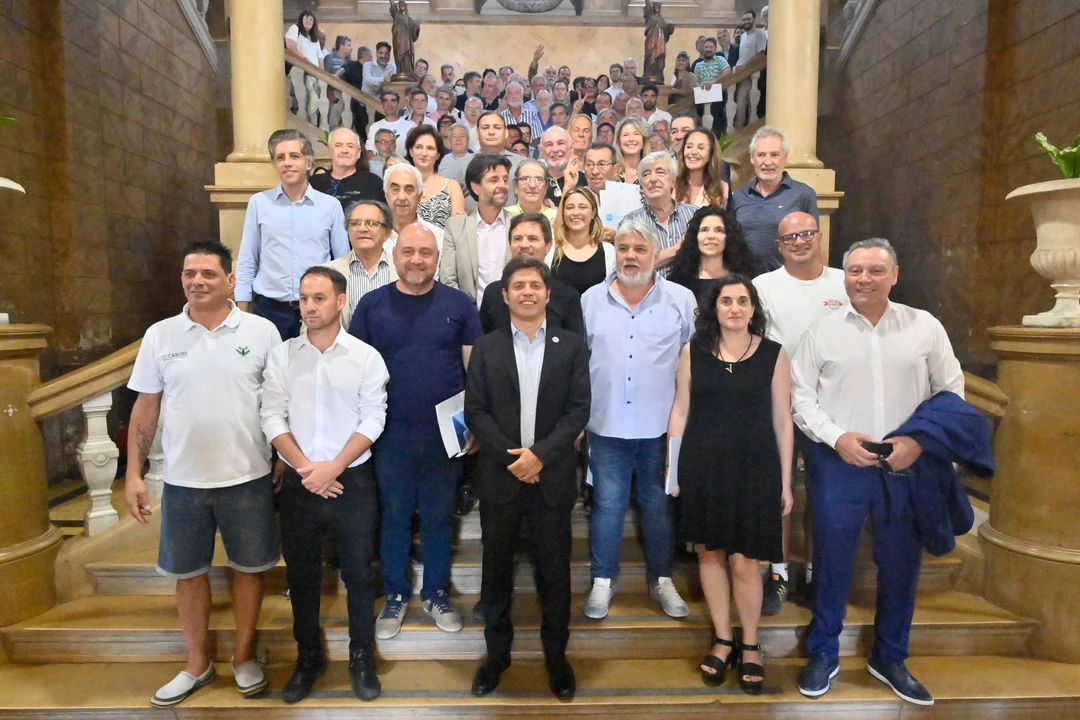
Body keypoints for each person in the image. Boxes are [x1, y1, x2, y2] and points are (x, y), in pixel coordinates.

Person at [792, 238, 964, 706]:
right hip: (839, 462)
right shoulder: (821, 333)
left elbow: (951, 392)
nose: (863, 279)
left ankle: (889, 656)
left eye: (874, 271)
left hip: (905, 464)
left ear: (894, 275)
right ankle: (823, 651)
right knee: (832, 558)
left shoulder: (924, 327)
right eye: (855, 271)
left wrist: (918, 441)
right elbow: (800, 395)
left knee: (901, 563)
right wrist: (837, 438)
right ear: (844, 276)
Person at [125, 242, 281, 708]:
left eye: (209, 274)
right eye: (189, 273)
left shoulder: (262, 331)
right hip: (183, 481)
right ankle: (197, 662)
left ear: (230, 280)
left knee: (249, 570)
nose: (197, 281)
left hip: (248, 476)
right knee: (188, 574)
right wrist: (133, 473)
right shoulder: (160, 335)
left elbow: (279, 400)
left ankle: (244, 656)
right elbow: (145, 407)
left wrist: (282, 457)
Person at [349, 223, 483, 641]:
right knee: (394, 516)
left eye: (426, 252)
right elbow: (353, 372)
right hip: (387, 434)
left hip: (446, 434)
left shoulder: (459, 304)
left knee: (440, 517)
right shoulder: (371, 305)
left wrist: (475, 425)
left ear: (437, 259)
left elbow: (475, 372)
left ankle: (436, 593)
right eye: (408, 251)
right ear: (395, 255)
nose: (417, 260)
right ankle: (395, 595)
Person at [465, 256, 591, 701]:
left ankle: (557, 659)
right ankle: (496, 658)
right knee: (496, 575)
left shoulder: (571, 346)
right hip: (500, 480)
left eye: (535, 285)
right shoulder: (487, 347)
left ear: (547, 293)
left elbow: (578, 410)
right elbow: (475, 411)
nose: (527, 293)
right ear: (504, 295)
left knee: (554, 576)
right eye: (518, 286)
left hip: (551, 481)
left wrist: (539, 457)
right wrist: (514, 459)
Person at [261, 266, 388, 704]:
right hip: (300, 482)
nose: (309, 306)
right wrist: (305, 469)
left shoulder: (365, 357)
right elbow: (271, 415)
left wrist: (333, 466)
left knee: (358, 574)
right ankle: (308, 659)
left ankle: (361, 658)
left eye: (318, 298)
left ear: (340, 301)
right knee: (301, 575)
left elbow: (374, 417)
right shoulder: (283, 356)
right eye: (303, 299)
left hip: (351, 479)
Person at [667, 275, 793, 693]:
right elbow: (680, 411)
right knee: (709, 553)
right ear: (714, 308)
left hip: (755, 468)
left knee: (744, 560)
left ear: (753, 309)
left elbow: (782, 419)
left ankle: (751, 643)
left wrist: (786, 481)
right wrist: (673, 470)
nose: (735, 308)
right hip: (703, 466)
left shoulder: (774, 354)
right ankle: (723, 639)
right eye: (726, 301)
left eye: (742, 301)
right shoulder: (694, 352)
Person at [580, 216, 695, 621]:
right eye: (624, 248)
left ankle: (661, 579)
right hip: (605, 425)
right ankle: (602, 580)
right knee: (608, 505)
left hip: (661, 428)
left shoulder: (681, 299)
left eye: (640, 249)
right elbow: (579, 363)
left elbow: (693, 362)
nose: (630, 256)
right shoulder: (590, 300)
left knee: (658, 506)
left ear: (655, 254)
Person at [753, 211, 847, 616]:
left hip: (834, 409)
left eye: (807, 233)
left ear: (819, 237)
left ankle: (814, 571)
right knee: (780, 494)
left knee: (825, 498)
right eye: (790, 237)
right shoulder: (763, 286)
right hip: (780, 406)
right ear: (779, 246)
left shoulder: (844, 282)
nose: (799, 241)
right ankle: (778, 572)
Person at [236, 130, 348, 340]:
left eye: (294, 156)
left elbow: (342, 262)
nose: (287, 163)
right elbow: (248, 259)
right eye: (280, 157)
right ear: (274, 164)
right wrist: (242, 311)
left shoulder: (330, 206)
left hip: (319, 308)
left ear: (309, 162)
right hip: (270, 309)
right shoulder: (259, 204)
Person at [730, 126, 819, 273]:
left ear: (785, 157)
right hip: (745, 281)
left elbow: (815, 245)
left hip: (788, 281)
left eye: (774, 155)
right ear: (752, 158)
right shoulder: (738, 196)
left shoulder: (804, 194)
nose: (767, 162)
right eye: (761, 155)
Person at [479, 213, 584, 335]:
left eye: (532, 238)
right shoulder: (492, 293)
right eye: (517, 239)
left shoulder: (567, 296)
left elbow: (575, 344)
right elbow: (483, 343)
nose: (524, 245)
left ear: (548, 246)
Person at [441, 153, 513, 303]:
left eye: (505, 180)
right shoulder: (455, 227)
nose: (502, 185)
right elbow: (448, 279)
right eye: (494, 180)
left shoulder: (518, 224)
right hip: (468, 311)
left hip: (512, 312)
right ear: (476, 187)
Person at [323, 200, 399, 328]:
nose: (362, 229)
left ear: (387, 233)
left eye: (371, 223)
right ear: (348, 231)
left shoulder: (401, 271)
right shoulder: (328, 273)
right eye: (355, 223)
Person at [622, 151, 698, 274]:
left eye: (660, 172)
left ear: (673, 181)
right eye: (646, 174)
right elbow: (629, 267)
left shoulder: (695, 215)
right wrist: (677, 250)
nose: (653, 179)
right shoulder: (630, 222)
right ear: (641, 185)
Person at [441, 112, 525, 212]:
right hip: (470, 220)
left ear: (506, 133)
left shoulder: (524, 164)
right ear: (477, 133)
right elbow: (441, 197)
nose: (491, 132)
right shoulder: (460, 165)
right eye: (485, 128)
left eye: (497, 127)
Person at [667, 205, 757, 298]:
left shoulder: (745, 277)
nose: (711, 236)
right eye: (704, 230)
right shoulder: (679, 280)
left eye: (719, 230)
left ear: (728, 237)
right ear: (695, 236)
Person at [549, 186, 616, 296]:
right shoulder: (551, 252)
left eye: (582, 207)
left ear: (593, 212)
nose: (576, 213)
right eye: (570, 207)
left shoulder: (609, 252)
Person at [405, 125, 465, 229]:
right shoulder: (400, 185)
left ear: (438, 154)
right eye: (419, 147)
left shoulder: (451, 187)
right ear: (410, 151)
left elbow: (459, 230)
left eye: (430, 148)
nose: (424, 153)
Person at [309, 128, 385, 210]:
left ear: (358, 152)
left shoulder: (374, 183)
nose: (344, 150)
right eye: (338, 145)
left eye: (350, 146)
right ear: (329, 150)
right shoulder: (312, 184)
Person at [383, 163, 445, 254]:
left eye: (409, 190)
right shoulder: (374, 236)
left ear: (419, 196)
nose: (401, 197)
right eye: (395, 189)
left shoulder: (437, 236)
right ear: (386, 195)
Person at [675, 127, 730, 207]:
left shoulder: (721, 188)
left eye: (700, 148)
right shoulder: (672, 183)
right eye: (689, 147)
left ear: (710, 156)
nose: (693, 152)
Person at [285, 11, 321, 126]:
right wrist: (306, 61)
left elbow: (320, 57)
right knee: (304, 103)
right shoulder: (295, 29)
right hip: (300, 70)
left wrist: (323, 75)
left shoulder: (314, 37)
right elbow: (290, 47)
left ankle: (312, 127)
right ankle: (307, 127)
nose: (308, 21)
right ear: (301, 19)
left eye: (311, 19)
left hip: (314, 74)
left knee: (314, 104)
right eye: (305, 18)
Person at [734, 9, 768, 129]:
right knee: (741, 103)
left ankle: (741, 129)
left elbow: (760, 55)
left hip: (750, 73)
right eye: (744, 19)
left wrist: (744, 66)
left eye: (748, 19)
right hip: (739, 75)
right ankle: (741, 129)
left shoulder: (760, 33)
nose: (746, 21)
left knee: (742, 102)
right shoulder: (743, 36)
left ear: (754, 19)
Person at [693, 37, 732, 133]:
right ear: (703, 49)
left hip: (717, 93)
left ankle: (719, 137)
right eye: (706, 47)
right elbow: (695, 79)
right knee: (700, 117)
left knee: (717, 116)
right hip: (702, 94)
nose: (708, 49)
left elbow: (728, 70)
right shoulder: (698, 65)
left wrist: (714, 81)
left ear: (715, 49)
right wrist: (698, 85)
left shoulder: (720, 59)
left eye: (711, 47)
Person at [365, 90, 416, 156]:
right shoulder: (374, 127)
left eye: (393, 100)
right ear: (382, 104)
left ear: (398, 103)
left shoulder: (410, 126)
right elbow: (370, 152)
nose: (389, 104)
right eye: (386, 101)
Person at [539, 126, 581, 203]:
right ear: (541, 151)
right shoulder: (535, 184)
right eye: (549, 145)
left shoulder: (586, 182)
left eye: (561, 143)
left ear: (571, 148)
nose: (555, 149)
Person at [500, 81, 544, 146]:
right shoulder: (500, 117)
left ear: (522, 95)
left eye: (517, 93)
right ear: (506, 96)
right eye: (510, 93)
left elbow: (538, 140)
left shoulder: (532, 115)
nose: (513, 96)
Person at [323, 36, 352, 130]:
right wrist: (329, 93)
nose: (351, 48)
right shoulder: (330, 57)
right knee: (334, 119)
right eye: (349, 45)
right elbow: (325, 76)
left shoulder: (349, 61)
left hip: (347, 94)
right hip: (335, 92)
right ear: (341, 46)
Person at [614, 118, 647, 184]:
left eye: (636, 134)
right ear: (618, 142)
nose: (631, 139)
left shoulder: (652, 173)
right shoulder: (610, 172)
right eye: (625, 135)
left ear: (643, 141)